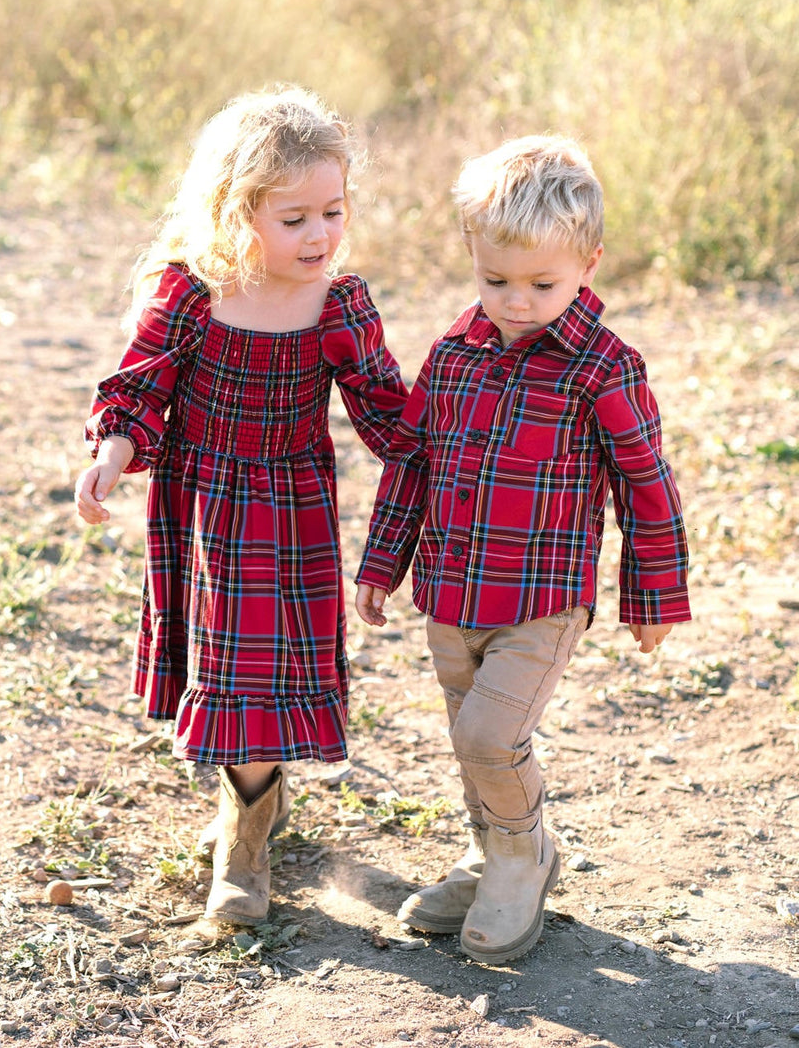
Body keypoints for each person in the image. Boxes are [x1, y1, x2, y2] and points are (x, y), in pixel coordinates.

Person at [355, 135, 690, 965]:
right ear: (472, 254)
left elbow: (645, 485)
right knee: (468, 732)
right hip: (452, 588)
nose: (518, 301)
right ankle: (488, 850)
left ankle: (523, 857)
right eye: (495, 280)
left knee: (490, 737)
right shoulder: (454, 357)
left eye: (543, 283)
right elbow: (412, 462)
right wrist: (381, 564)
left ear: (588, 262)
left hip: (542, 599)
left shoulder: (604, 370)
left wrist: (652, 599)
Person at [75, 87, 407, 927]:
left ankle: (246, 833)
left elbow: (388, 416)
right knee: (227, 675)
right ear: (236, 211)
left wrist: (455, 461)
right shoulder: (194, 293)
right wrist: (114, 452)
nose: (320, 235)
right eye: (293, 219)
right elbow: (140, 387)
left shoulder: (338, 304)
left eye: (332, 212)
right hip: (203, 508)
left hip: (290, 512)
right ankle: (248, 821)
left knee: (252, 677)